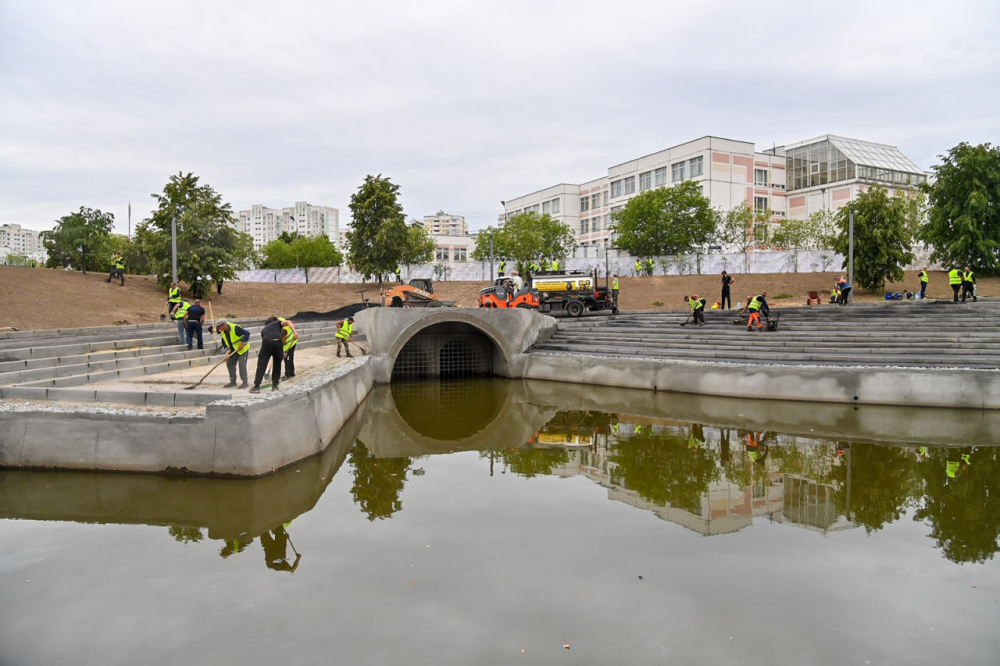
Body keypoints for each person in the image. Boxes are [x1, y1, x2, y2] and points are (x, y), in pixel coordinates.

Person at [249, 316, 285, 393]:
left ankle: (256, 387)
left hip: (267, 344)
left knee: (261, 365)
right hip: (278, 345)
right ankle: (275, 386)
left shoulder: (264, 329)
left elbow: (264, 338)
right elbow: (282, 338)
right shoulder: (280, 329)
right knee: (277, 365)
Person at [216, 319, 251, 389]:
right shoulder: (223, 332)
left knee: (242, 365)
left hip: (242, 349)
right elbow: (225, 342)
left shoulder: (235, 328)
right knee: (229, 363)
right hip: (233, 350)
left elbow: (247, 333)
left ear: (224, 325)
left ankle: (245, 382)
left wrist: (242, 342)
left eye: (219, 327)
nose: (219, 329)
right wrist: (227, 352)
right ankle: (233, 382)